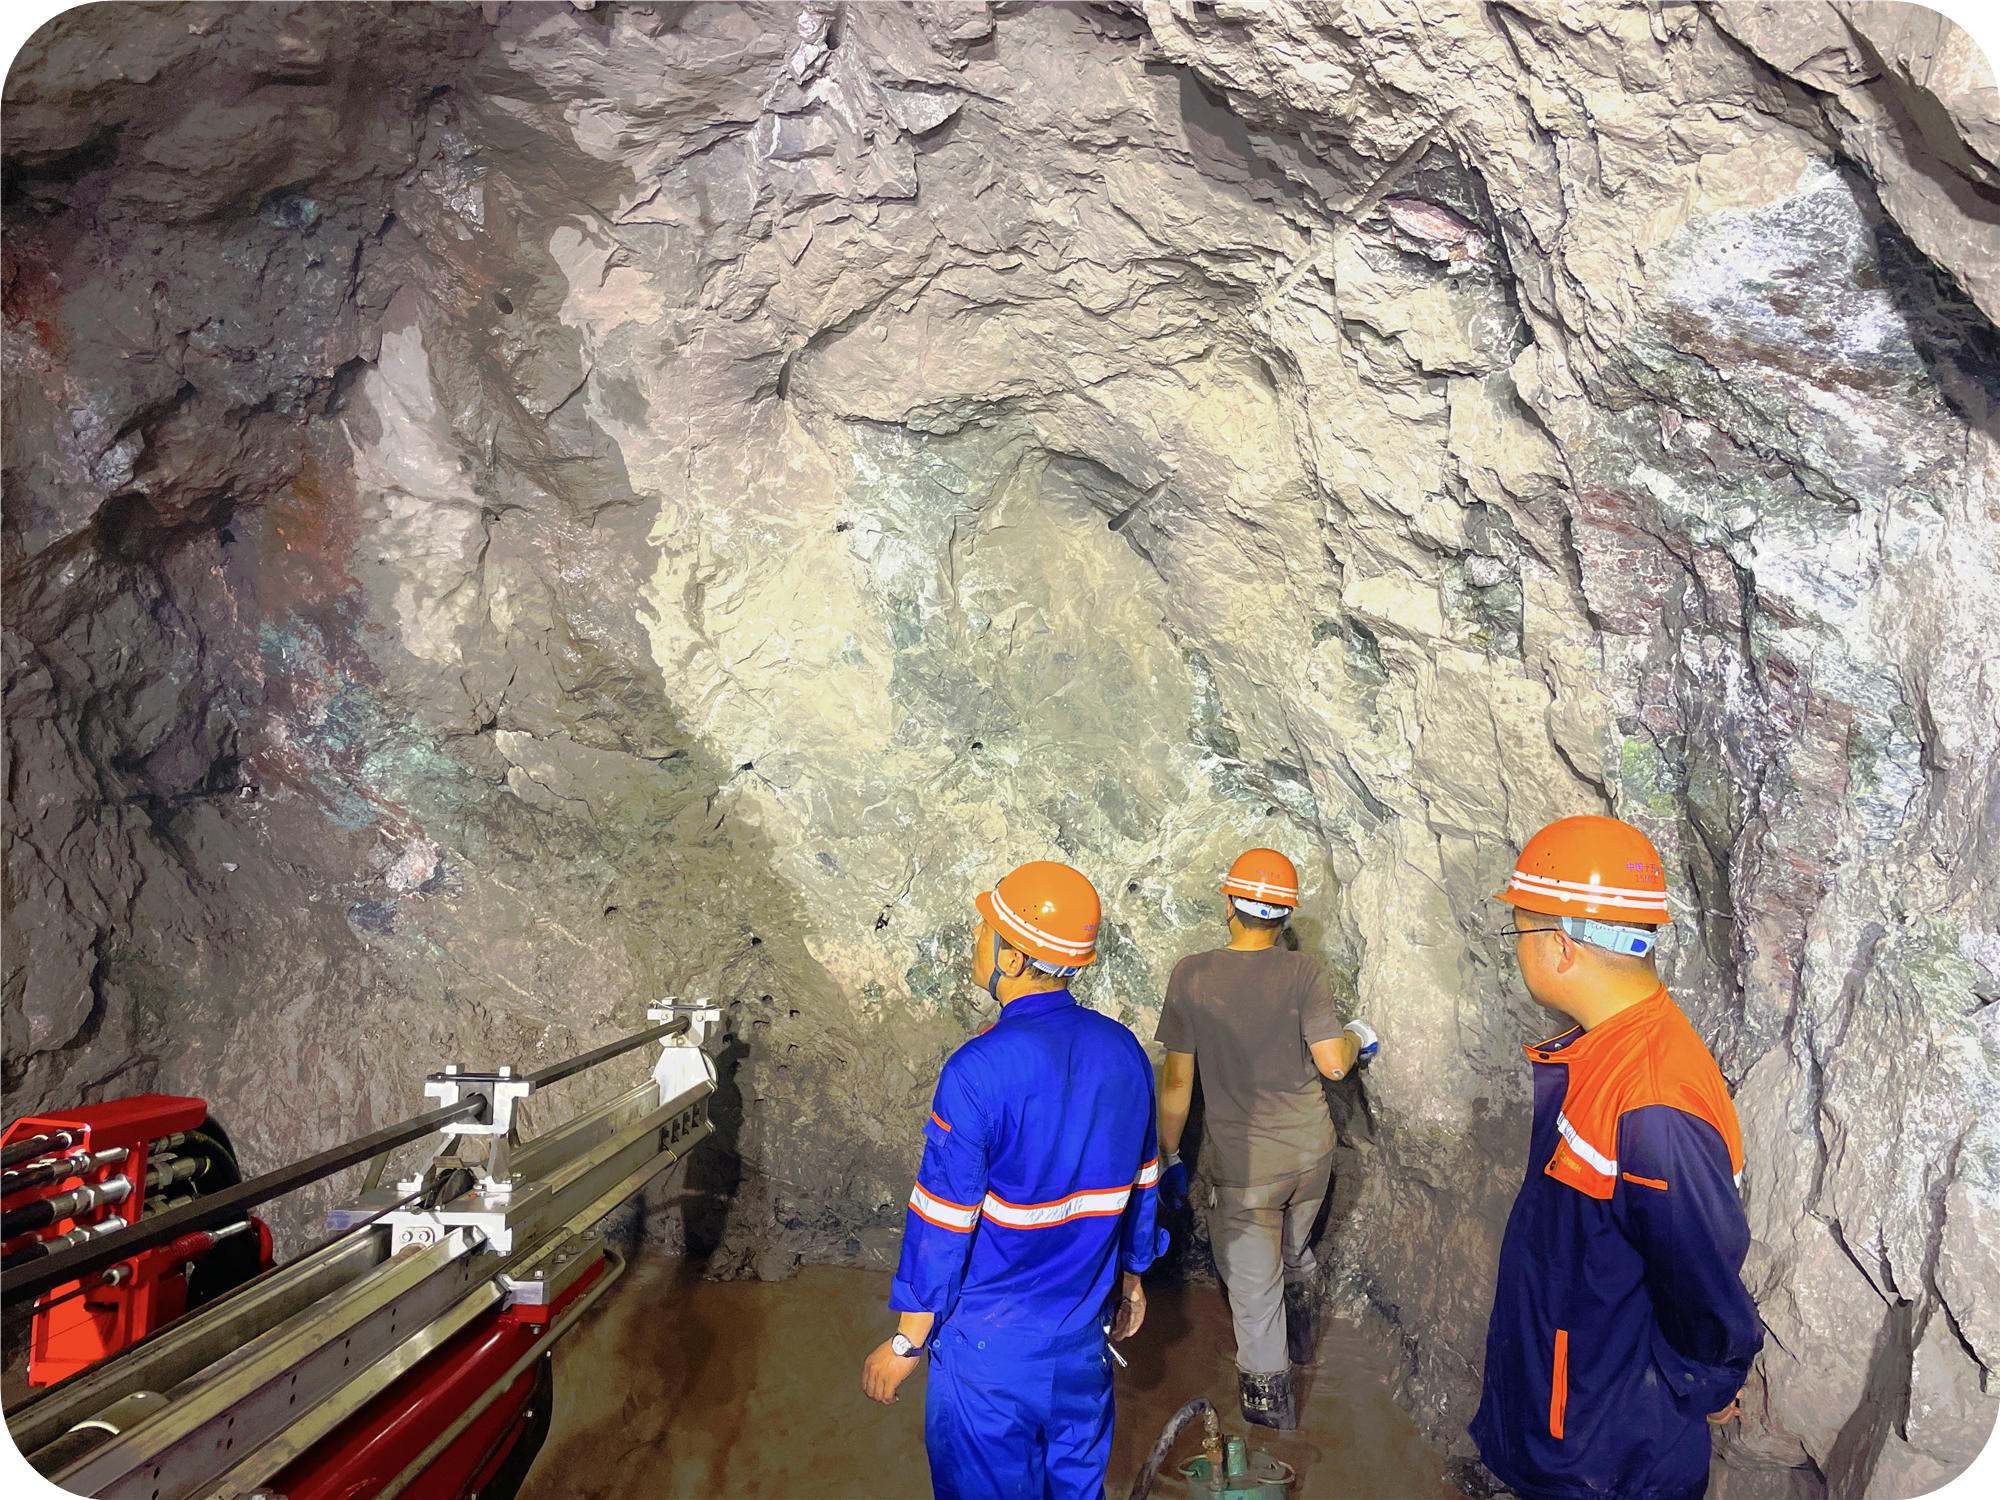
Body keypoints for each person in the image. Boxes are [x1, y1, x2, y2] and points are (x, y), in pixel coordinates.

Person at [1470, 815, 1762, 1500]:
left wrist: (1709, 1383)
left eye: (1520, 930)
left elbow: (1702, 1277)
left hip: (1612, 1450)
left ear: (1561, 947)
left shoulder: (1653, 1105)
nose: (1517, 952)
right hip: (1576, 1405)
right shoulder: (1608, 1050)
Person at [861, 860, 1167, 1500]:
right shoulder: (1125, 1051)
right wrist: (1133, 1277)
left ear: (1013, 957)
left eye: (986, 928)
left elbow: (941, 1222)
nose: (977, 937)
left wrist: (905, 1341)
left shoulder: (977, 1071)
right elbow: (1145, 1184)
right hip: (1082, 1345)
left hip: (988, 1357)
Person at [1154, 847, 1379, 1429]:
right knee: (1296, 1252)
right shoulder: (1304, 973)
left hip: (1246, 1170)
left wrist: (1171, 1156)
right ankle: (1303, 1346)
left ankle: (1272, 1433)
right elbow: (1334, 1063)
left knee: (1254, 1301)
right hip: (1311, 1154)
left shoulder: (1193, 974)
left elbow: (1178, 1083)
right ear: (1284, 917)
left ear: (1230, 904)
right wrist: (1359, 1036)